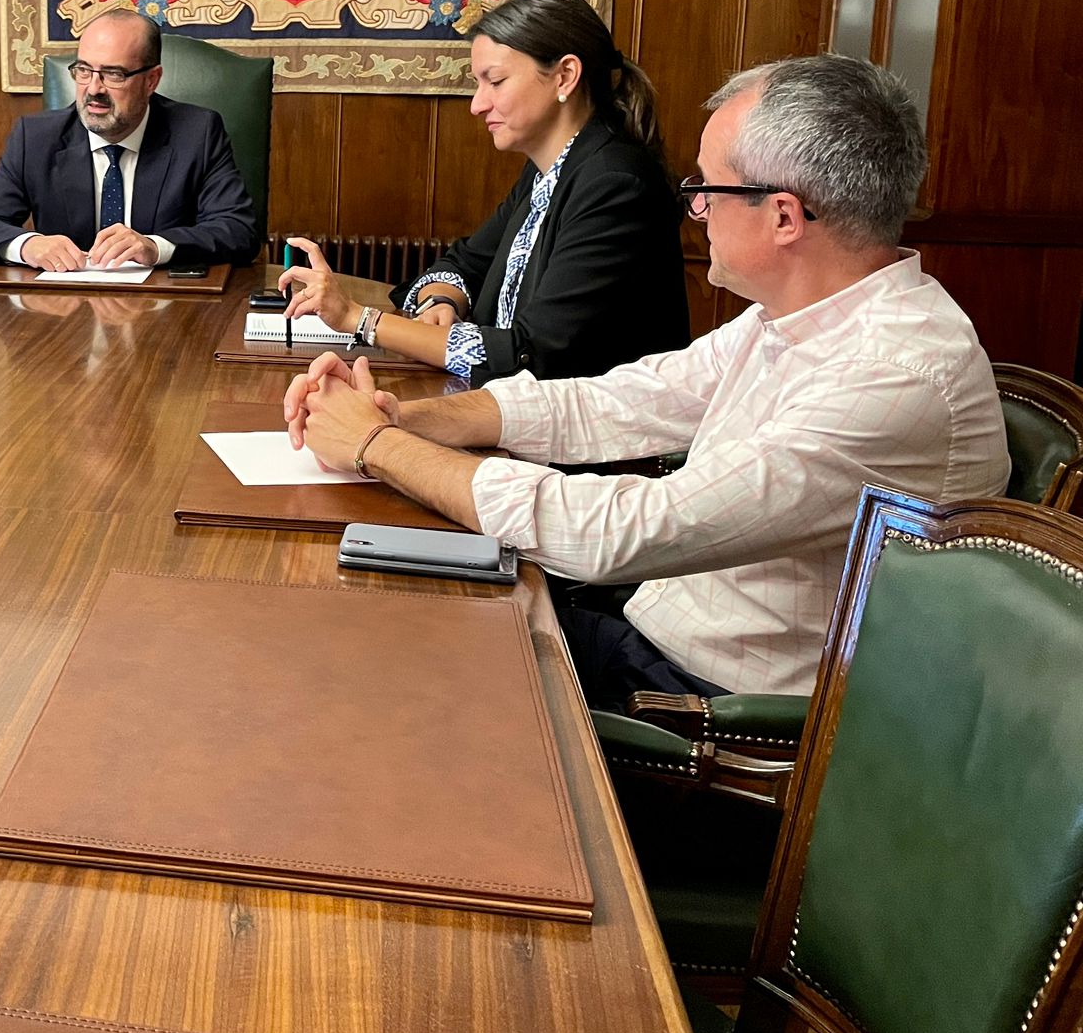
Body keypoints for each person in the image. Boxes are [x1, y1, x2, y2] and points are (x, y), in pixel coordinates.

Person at [285, 54, 1006, 704]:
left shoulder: (893, 375)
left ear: (784, 216)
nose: (694, 209)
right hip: (655, 634)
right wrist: (412, 420)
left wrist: (377, 445)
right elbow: (621, 400)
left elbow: (626, 533)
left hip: (715, 712)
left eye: (708, 187)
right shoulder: (798, 313)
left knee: (372, 669)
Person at [280, 0, 687, 382]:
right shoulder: (548, 170)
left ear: (565, 76)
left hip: (594, 444)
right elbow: (464, 262)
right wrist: (442, 300)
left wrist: (357, 318)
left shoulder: (615, 185)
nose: (477, 104)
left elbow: (533, 353)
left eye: (495, 81)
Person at [0, 11, 258, 271]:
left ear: (151, 80)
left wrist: (155, 247)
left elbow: (238, 231)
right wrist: (28, 245)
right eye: (84, 71)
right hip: (63, 316)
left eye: (113, 74)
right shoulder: (35, 138)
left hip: (167, 310)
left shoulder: (197, 133)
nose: (94, 89)